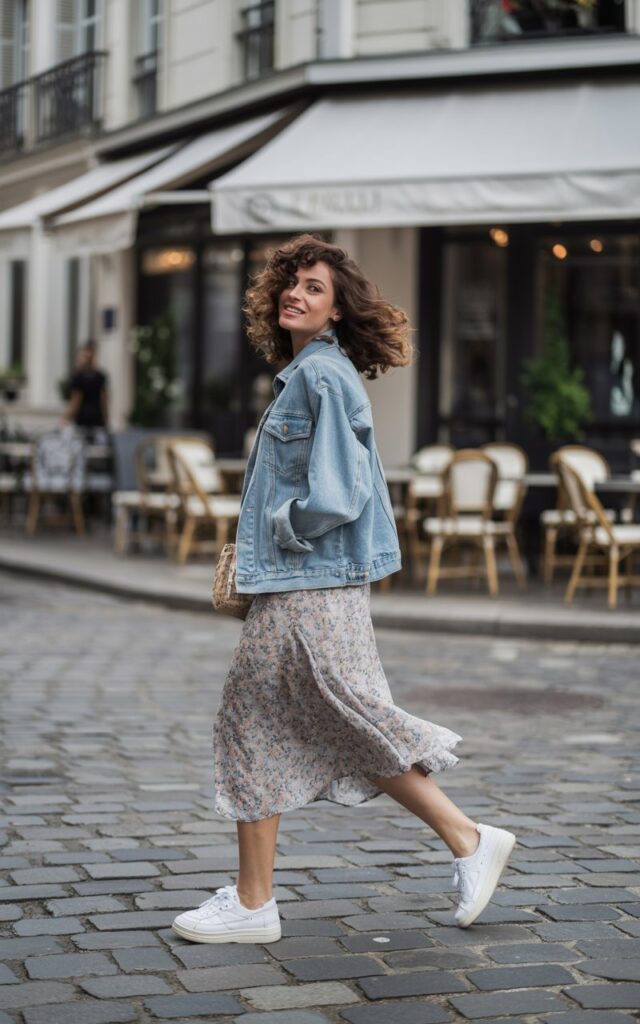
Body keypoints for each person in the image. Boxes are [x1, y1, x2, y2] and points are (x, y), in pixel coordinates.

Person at [172, 234, 516, 945]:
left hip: (310, 588)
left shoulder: (319, 377)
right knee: (273, 721)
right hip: (315, 586)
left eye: (315, 287)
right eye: (292, 283)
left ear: (334, 311)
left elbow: (343, 490)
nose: (297, 293)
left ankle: (465, 837)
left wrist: (281, 523)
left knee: (325, 718)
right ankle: (256, 899)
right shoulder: (312, 372)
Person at [62, 340, 109, 438]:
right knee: (97, 450)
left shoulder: (78, 377)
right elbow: (104, 400)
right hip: (97, 421)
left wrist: (66, 418)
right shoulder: (100, 376)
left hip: (82, 421)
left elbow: (76, 401)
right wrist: (106, 420)